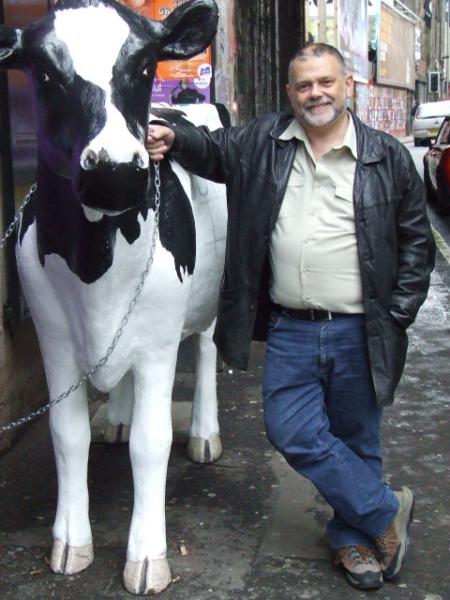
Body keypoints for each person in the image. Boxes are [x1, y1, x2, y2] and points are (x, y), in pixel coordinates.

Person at [147, 44, 435, 590]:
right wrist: (172, 136)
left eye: (325, 82)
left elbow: (416, 241)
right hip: (291, 327)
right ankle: (384, 508)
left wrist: (399, 312)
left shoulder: (385, 156)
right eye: (304, 86)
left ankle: (356, 542)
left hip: (361, 326)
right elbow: (211, 150)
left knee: (356, 439)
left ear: (346, 85)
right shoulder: (263, 142)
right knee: (289, 429)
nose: (315, 94)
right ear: (290, 93)